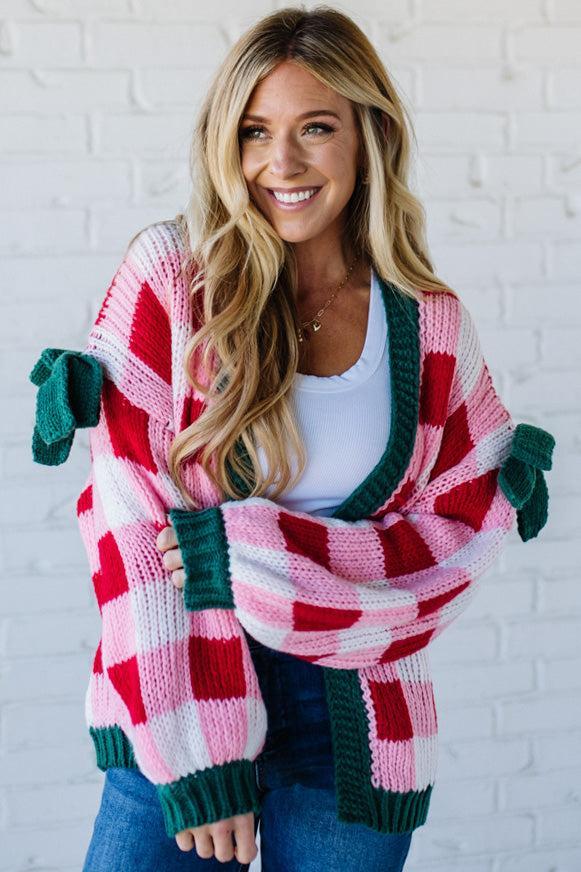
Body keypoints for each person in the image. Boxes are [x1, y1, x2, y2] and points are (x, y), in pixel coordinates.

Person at [29, 5, 555, 871]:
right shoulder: (170, 282)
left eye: (316, 127)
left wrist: (245, 557)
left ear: (366, 136)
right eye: (254, 131)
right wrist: (203, 752)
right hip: (173, 705)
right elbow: (127, 521)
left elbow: (451, 548)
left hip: (357, 731)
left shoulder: (430, 326)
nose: (282, 163)